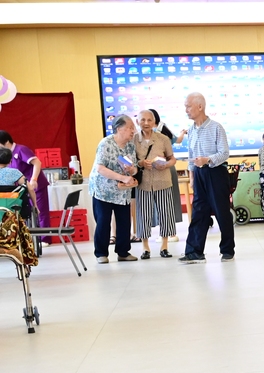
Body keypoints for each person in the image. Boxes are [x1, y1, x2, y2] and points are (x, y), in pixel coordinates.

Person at [179, 92, 235, 263]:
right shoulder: (191, 131)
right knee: (198, 212)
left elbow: (224, 153)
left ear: (200, 106)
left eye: (188, 106)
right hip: (199, 174)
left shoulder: (216, 127)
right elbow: (191, 155)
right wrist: (192, 176)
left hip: (215, 172)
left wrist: (207, 159)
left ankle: (227, 250)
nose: (186, 110)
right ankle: (194, 251)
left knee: (222, 211)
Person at [88, 115, 139, 263]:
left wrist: (132, 170)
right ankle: (101, 253)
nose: (133, 131)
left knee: (124, 221)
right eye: (130, 127)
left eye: (133, 128)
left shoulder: (130, 145)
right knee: (103, 221)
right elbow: (100, 168)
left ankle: (123, 252)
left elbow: (134, 168)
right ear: (118, 129)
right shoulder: (106, 143)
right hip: (103, 189)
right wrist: (123, 177)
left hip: (122, 190)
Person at [134, 109, 177, 259]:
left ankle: (164, 246)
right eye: (143, 120)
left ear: (154, 123)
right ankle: (145, 248)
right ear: (137, 121)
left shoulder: (163, 139)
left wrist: (165, 165)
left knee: (166, 213)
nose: (146, 123)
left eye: (149, 120)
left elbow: (172, 159)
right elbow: (130, 161)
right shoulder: (133, 140)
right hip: (143, 183)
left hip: (163, 180)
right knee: (143, 215)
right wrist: (140, 163)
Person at [0, 131, 49, 227]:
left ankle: (44, 239)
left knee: (40, 211)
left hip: (34, 184)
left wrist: (34, 179)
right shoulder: (8, 155)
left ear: (6, 142)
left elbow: (37, 162)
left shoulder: (20, 149)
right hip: (21, 190)